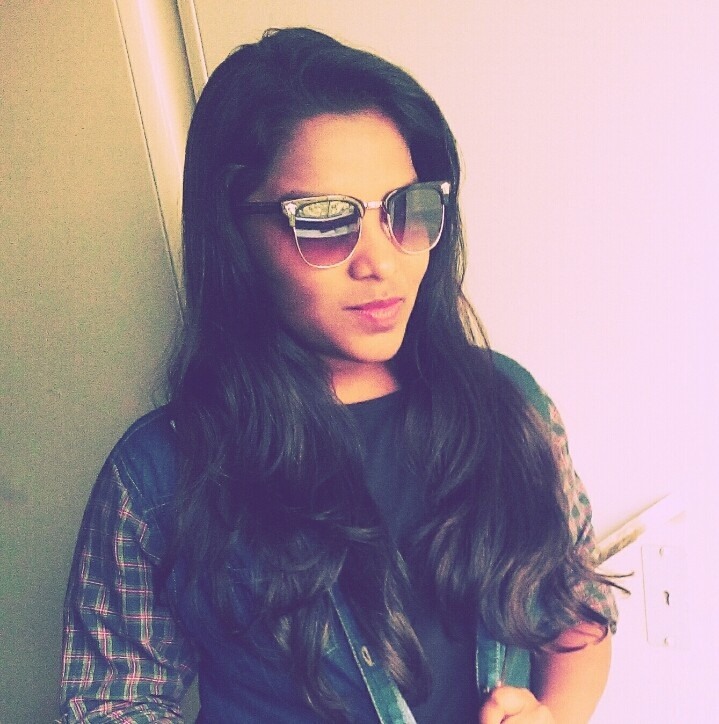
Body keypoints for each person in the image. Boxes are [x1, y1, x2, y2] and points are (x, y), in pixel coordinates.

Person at [60, 27, 618, 723]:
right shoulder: (160, 474)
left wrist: (553, 714)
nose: (380, 260)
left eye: (407, 209)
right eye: (324, 220)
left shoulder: (509, 405)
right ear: (235, 235)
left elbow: (577, 608)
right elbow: (114, 702)